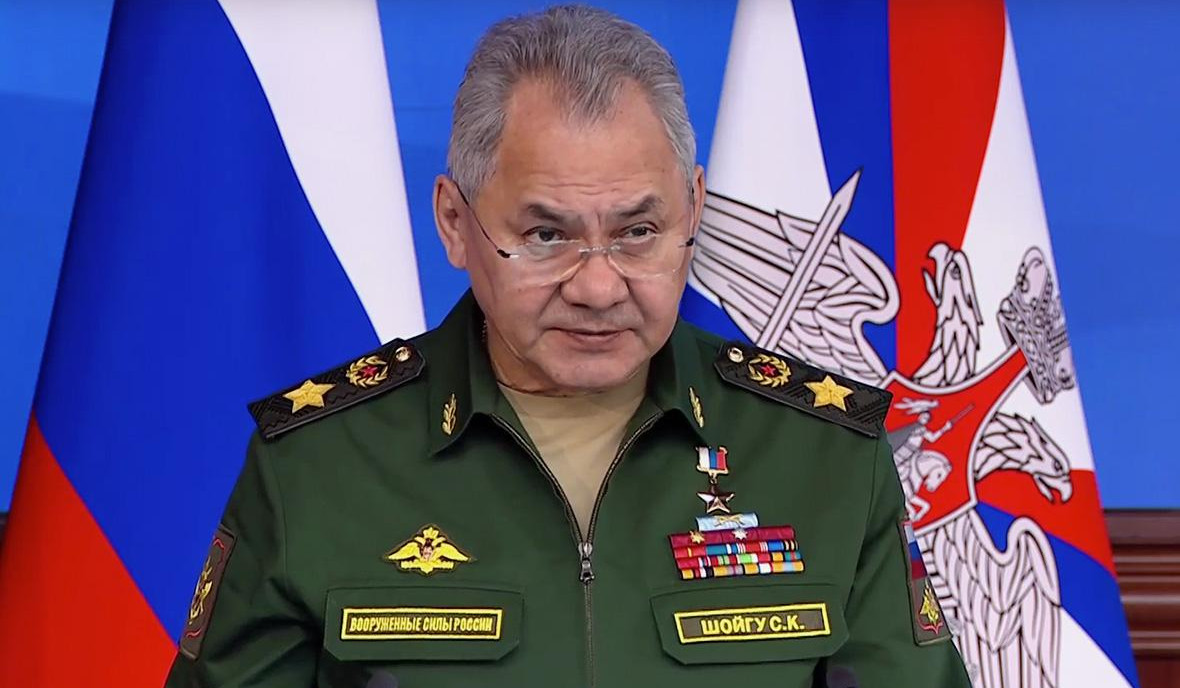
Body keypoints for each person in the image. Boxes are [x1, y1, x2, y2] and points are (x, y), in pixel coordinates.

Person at [163, 5, 972, 687]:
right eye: (547, 236)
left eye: (639, 232)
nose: (598, 285)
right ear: (455, 223)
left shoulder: (826, 458)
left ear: (694, 211)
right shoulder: (318, 467)